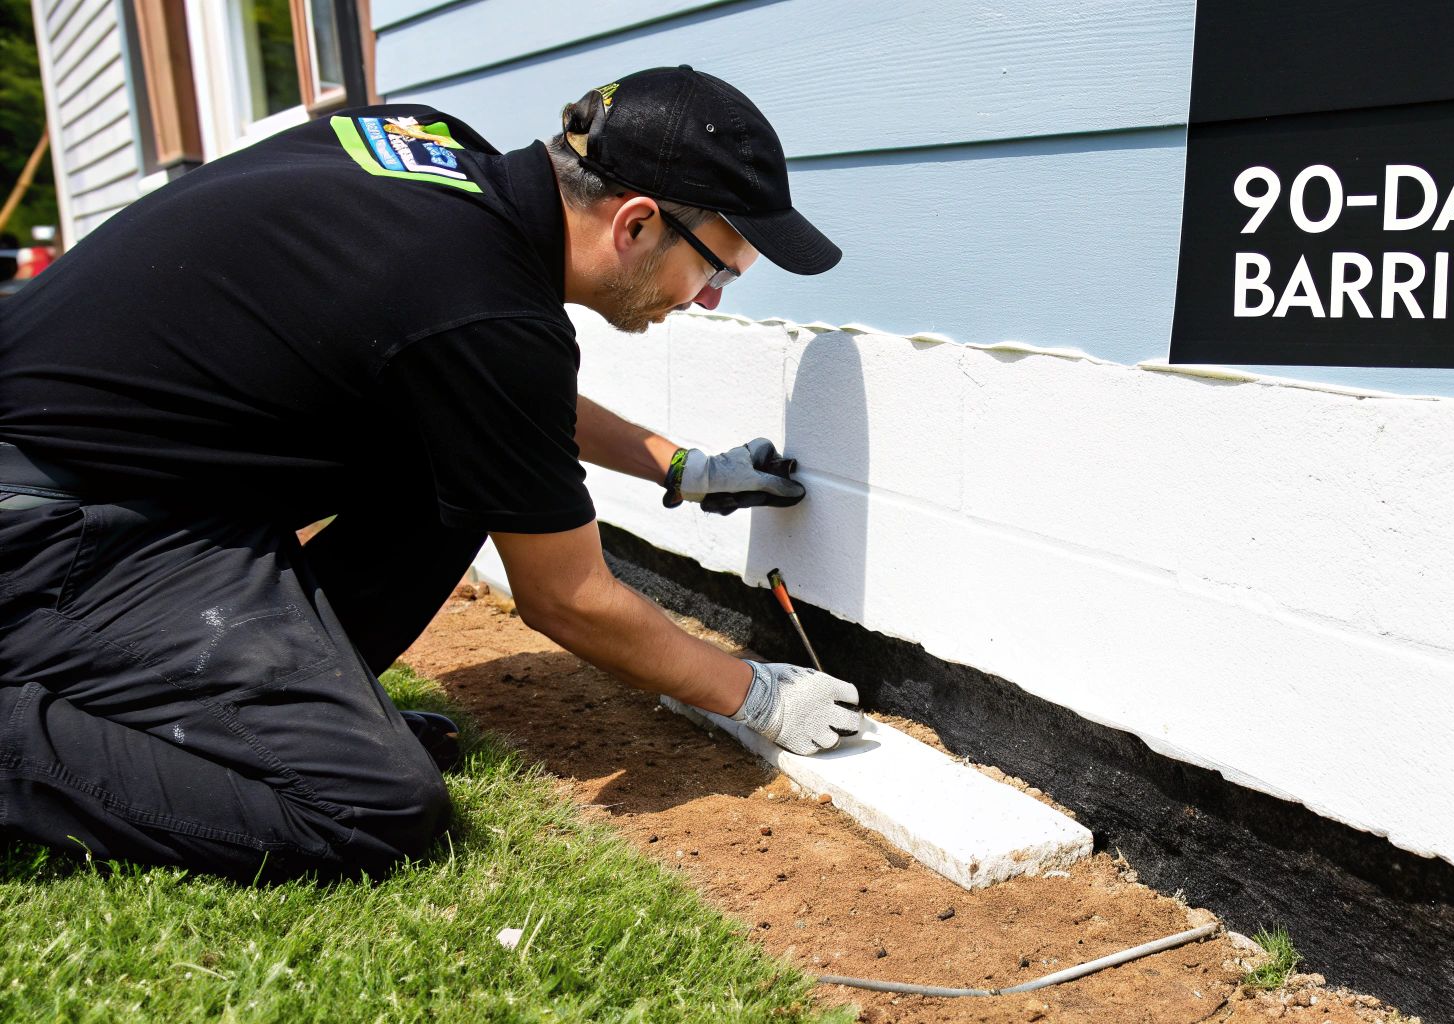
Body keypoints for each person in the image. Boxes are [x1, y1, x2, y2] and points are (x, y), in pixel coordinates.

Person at [0, 66, 863, 881]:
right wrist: (756, 695)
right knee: (370, 807)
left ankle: (294, 714)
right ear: (635, 223)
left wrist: (684, 467)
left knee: (454, 466)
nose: (710, 296)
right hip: (48, 523)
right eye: (714, 267)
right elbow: (567, 599)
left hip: (117, 477)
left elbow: (494, 396)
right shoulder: (485, 307)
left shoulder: (427, 148)